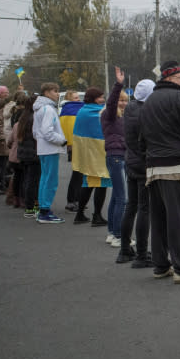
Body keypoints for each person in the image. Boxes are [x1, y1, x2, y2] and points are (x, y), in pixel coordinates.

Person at [139, 60, 180, 283]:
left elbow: (140, 138)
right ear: (170, 78)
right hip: (179, 167)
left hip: (153, 168)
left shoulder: (148, 102)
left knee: (159, 221)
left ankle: (160, 266)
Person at [120, 79, 155, 268]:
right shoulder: (146, 112)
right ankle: (142, 253)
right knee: (144, 208)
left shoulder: (130, 108)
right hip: (143, 164)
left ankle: (125, 248)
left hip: (131, 161)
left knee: (131, 206)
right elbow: (147, 140)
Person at [72, 87, 110, 229]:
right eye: (100, 97)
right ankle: (97, 216)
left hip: (87, 156)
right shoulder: (99, 112)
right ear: (94, 98)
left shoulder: (82, 111)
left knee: (87, 184)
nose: (103, 99)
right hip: (99, 154)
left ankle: (80, 214)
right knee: (102, 184)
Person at [101, 68, 129, 249]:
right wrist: (118, 85)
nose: (123, 103)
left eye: (126, 100)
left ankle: (112, 233)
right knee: (122, 199)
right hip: (116, 157)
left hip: (120, 157)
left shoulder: (122, 117)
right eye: (121, 100)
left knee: (116, 197)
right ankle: (118, 235)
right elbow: (111, 103)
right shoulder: (109, 114)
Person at [32, 83, 68, 223]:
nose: (57, 94)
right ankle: (45, 212)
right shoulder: (48, 109)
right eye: (55, 91)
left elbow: (36, 132)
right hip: (50, 148)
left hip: (43, 148)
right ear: (46, 93)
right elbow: (48, 132)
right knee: (51, 180)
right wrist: (62, 141)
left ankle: (43, 209)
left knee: (44, 179)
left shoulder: (39, 108)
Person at [60, 90, 84, 212]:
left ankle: (77, 199)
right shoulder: (73, 110)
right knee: (77, 174)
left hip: (75, 144)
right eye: (75, 98)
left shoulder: (66, 110)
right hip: (76, 145)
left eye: (78, 98)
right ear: (69, 99)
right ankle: (72, 200)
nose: (78, 100)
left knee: (80, 173)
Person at [17, 95, 41, 217]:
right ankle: (31, 207)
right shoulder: (34, 118)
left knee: (27, 179)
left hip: (23, 153)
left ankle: (28, 205)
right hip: (33, 152)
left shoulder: (23, 117)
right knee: (33, 181)